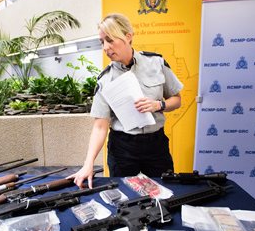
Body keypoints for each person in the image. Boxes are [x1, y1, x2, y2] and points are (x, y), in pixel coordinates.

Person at [69, 13, 183, 188]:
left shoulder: (156, 63)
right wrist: (88, 163)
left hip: (156, 144)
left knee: (165, 192)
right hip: (123, 148)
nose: (106, 47)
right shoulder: (105, 80)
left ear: (128, 37)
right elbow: (100, 126)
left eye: (110, 40)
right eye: (102, 42)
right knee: (124, 197)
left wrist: (159, 105)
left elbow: (177, 99)